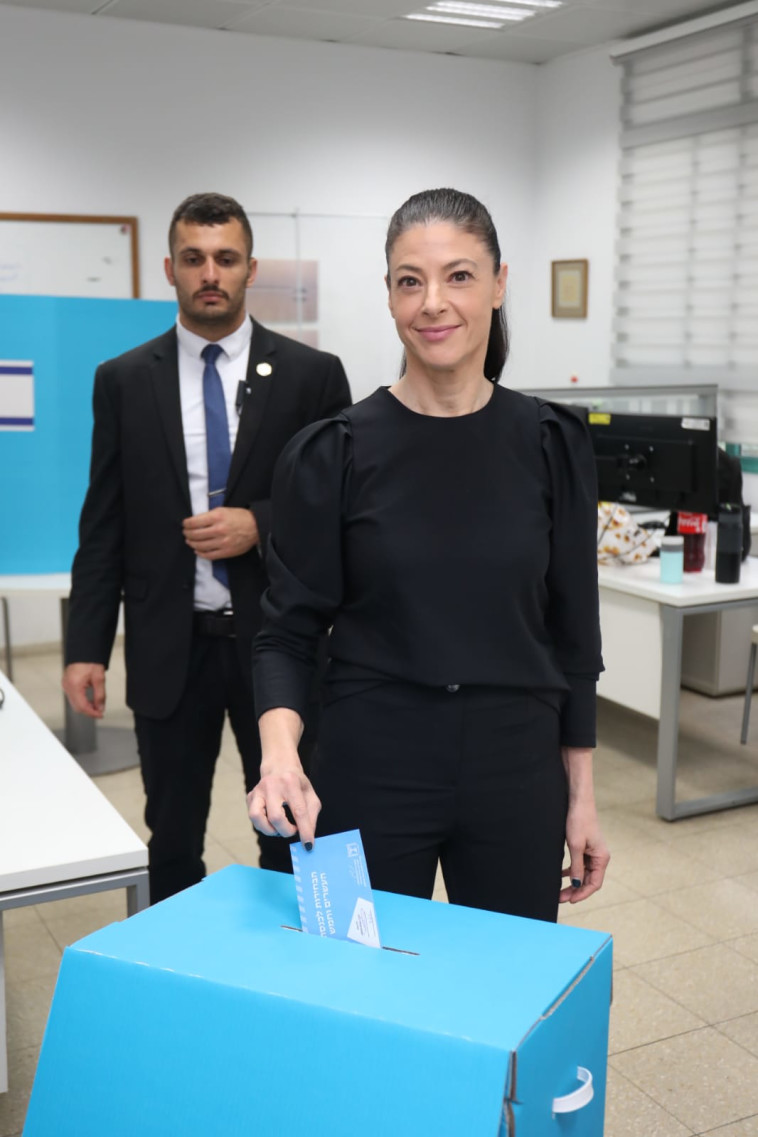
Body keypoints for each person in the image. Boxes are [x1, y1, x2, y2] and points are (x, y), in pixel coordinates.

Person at [248, 187, 609, 922]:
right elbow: (286, 631)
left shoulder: (551, 444)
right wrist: (280, 755)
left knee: (504, 990)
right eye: (410, 280)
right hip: (365, 760)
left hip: (516, 766)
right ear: (388, 296)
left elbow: (576, 637)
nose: (433, 302)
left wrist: (583, 797)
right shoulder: (333, 452)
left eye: (460, 276)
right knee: (351, 985)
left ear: (500, 283)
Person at [63, 192, 351, 904]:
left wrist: (260, 521)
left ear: (252, 266)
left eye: (225, 257)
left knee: (298, 827)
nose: (210, 272)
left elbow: (346, 505)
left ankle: (304, 974)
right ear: (170, 268)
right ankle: (181, 982)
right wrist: (84, 646)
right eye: (194, 258)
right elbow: (104, 521)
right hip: (171, 645)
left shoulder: (313, 375)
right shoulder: (124, 380)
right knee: (173, 835)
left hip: (280, 646)